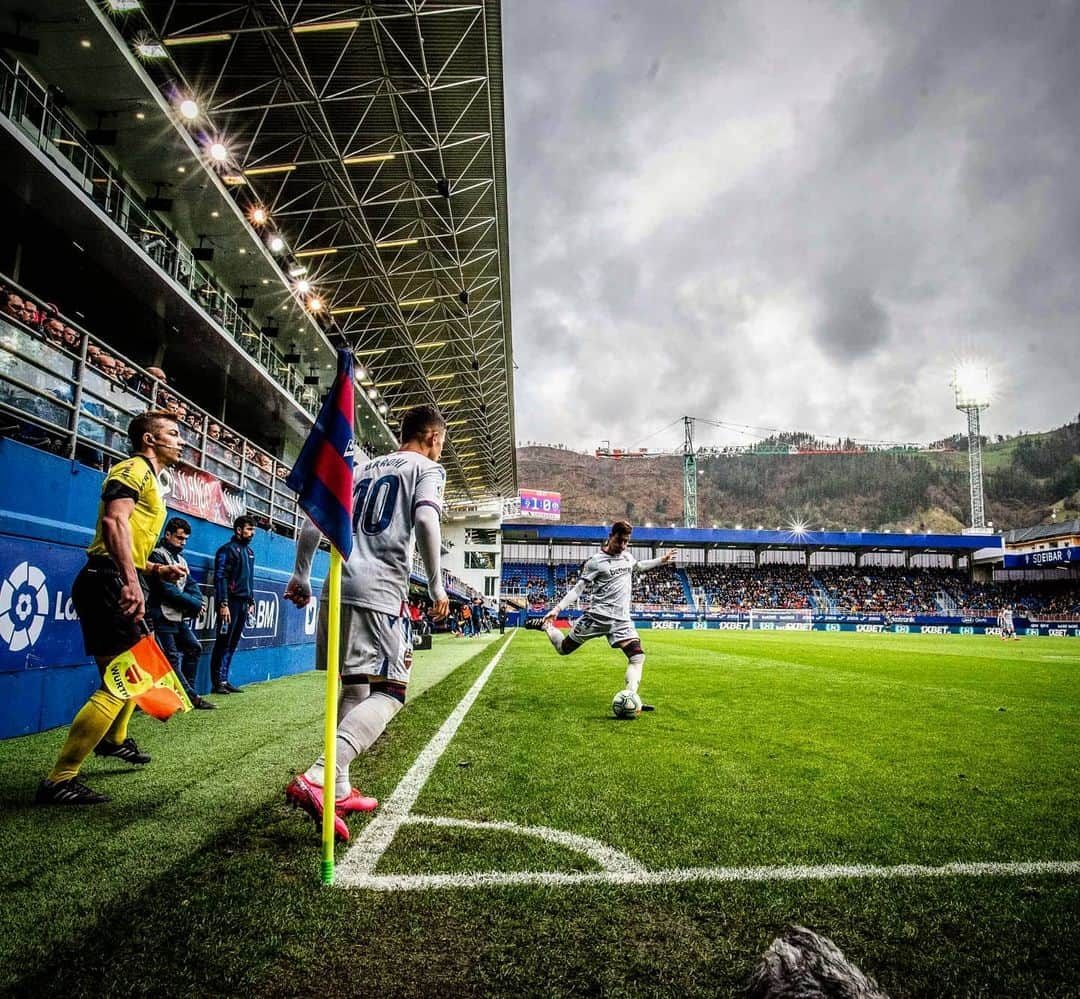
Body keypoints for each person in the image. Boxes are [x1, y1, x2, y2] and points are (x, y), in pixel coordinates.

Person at [282, 404, 449, 841]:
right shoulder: (427, 468)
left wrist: (301, 573)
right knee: (392, 693)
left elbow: (315, 516)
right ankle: (320, 774)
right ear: (433, 438)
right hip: (379, 592)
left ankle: (338, 789)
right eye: (440, 443)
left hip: (337, 585)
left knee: (354, 687)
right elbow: (427, 519)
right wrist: (434, 586)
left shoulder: (359, 465)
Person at [35, 411, 187, 805]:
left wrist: (155, 568)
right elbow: (113, 524)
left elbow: (128, 540)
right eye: (172, 433)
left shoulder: (153, 480)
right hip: (108, 582)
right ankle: (60, 779)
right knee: (121, 680)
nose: (181, 440)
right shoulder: (132, 468)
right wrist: (133, 582)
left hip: (117, 577)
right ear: (149, 440)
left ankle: (114, 740)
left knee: (140, 670)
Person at [528, 521, 676, 713]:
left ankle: (630, 697)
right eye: (620, 541)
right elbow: (577, 590)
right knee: (563, 649)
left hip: (621, 621)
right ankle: (546, 627)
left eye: (626, 542)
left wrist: (660, 560)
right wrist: (557, 609)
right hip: (597, 618)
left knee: (637, 656)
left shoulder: (626, 557)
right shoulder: (595, 561)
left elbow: (638, 566)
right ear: (610, 537)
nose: (623, 545)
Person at [148, 517, 214, 710]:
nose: (183, 542)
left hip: (177, 617)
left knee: (194, 647)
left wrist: (196, 602)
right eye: (179, 538)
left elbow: (192, 586)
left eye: (185, 539)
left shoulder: (181, 560)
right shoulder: (157, 555)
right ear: (167, 535)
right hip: (160, 615)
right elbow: (167, 590)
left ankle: (187, 692)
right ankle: (190, 697)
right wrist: (194, 605)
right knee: (171, 658)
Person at [209, 515, 256, 693]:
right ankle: (216, 683)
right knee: (223, 641)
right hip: (230, 604)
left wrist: (251, 600)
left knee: (233, 642)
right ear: (238, 530)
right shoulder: (226, 550)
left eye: (253, 530)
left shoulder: (250, 553)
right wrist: (223, 603)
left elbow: (249, 579)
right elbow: (220, 578)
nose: (252, 533)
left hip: (243, 604)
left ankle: (224, 679)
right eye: (249, 529)